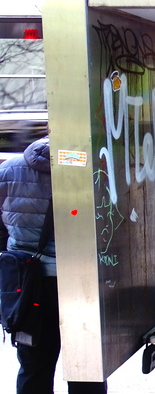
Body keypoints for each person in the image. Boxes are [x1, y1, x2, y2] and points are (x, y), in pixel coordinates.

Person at [0, 137, 107, 394]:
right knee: (87, 369)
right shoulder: (91, 171)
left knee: (34, 366)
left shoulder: (7, 171)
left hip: (27, 287)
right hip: (81, 286)